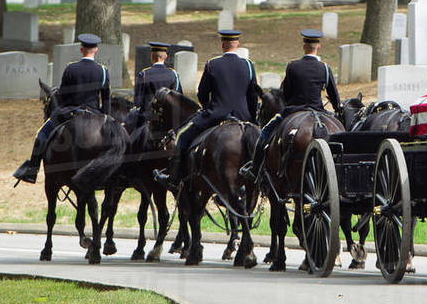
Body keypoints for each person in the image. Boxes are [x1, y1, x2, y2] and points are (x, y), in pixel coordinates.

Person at [159, 30, 260, 186]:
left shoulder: (212, 64)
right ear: (237, 45)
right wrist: (251, 118)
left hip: (215, 114)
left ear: (223, 45)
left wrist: (208, 108)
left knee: (182, 136)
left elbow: (202, 93)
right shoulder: (248, 65)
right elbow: (253, 96)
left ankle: (174, 177)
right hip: (243, 116)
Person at [242, 29, 341, 180]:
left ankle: (255, 170)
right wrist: (336, 109)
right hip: (319, 110)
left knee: (264, 133)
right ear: (318, 47)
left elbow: (286, 93)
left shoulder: (293, 66)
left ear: (304, 46)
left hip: (294, 110)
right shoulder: (325, 68)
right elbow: (334, 95)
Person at [12, 33, 110, 183]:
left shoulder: (71, 68)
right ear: (96, 50)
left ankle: (32, 169)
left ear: (81, 49)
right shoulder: (103, 71)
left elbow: (63, 95)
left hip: (71, 112)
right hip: (94, 114)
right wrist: (106, 117)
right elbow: (106, 99)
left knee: (41, 133)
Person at [128, 41, 181, 132]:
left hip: (147, 119)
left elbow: (137, 102)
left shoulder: (144, 74)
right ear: (165, 57)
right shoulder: (173, 74)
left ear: (152, 56)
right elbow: (178, 99)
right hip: (168, 120)